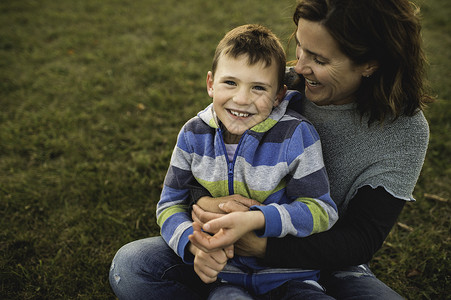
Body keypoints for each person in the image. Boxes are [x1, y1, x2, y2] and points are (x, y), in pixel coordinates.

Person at [110, 0, 432, 298]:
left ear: (370, 64)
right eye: (300, 47)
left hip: (328, 259)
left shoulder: (403, 132)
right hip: (228, 249)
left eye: (319, 59)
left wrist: (258, 240)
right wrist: (209, 207)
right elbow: (212, 156)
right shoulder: (280, 86)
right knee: (132, 267)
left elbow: (360, 239)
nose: (300, 67)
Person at [110, 23, 338, 299]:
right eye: (230, 83)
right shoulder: (193, 135)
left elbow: (321, 210)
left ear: (278, 96)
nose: (241, 99)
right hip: (226, 279)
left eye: (258, 88)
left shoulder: (296, 135)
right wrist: (197, 246)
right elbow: (171, 204)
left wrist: (256, 220)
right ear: (210, 84)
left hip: (292, 276)